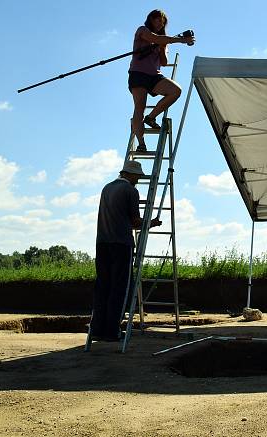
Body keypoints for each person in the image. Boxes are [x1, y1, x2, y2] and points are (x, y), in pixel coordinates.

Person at [89, 160, 161, 341]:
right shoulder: (130, 191)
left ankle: (97, 329)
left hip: (102, 243)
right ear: (130, 174)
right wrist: (151, 223)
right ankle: (112, 331)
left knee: (103, 286)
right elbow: (135, 222)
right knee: (120, 288)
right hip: (121, 243)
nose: (138, 179)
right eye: (137, 176)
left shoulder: (107, 188)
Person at [128, 9, 195, 152]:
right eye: (158, 20)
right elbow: (154, 38)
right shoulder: (143, 30)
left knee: (175, 91)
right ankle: (141, 144)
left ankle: (151, 117)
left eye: (163, 22)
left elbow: (164, 62)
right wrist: (180, 40)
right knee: (139, 107)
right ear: (151, 19)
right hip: (138, 73)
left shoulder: (163, 39)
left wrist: (163, 47)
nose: (161, 23)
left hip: (154, 75)